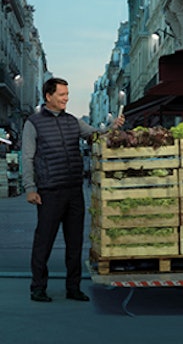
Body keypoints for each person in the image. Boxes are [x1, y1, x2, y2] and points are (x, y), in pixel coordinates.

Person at [22, 77, 125, 302]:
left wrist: (112, 127)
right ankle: (38, 287)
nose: (66, 98)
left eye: (67, 95)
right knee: (44, 242)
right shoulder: (33, 123)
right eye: (61, 95)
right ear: (48, 96)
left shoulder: (73, 121)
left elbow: (95, 135)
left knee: (75, 242)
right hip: (49, 191)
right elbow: (27, 157)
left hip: (73, 190)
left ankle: (73, 288)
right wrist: (30, 188)